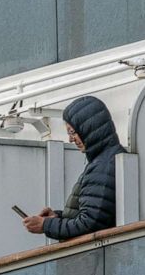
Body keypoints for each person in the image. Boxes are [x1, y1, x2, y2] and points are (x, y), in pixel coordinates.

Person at [22, 95, 122, 240]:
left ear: (89, 128)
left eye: (72, 132)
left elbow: (89, 224)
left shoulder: (103, 167)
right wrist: (57, 217)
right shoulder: (103, 162)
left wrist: (46, 225)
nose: (70, 139)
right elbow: (93, 216)